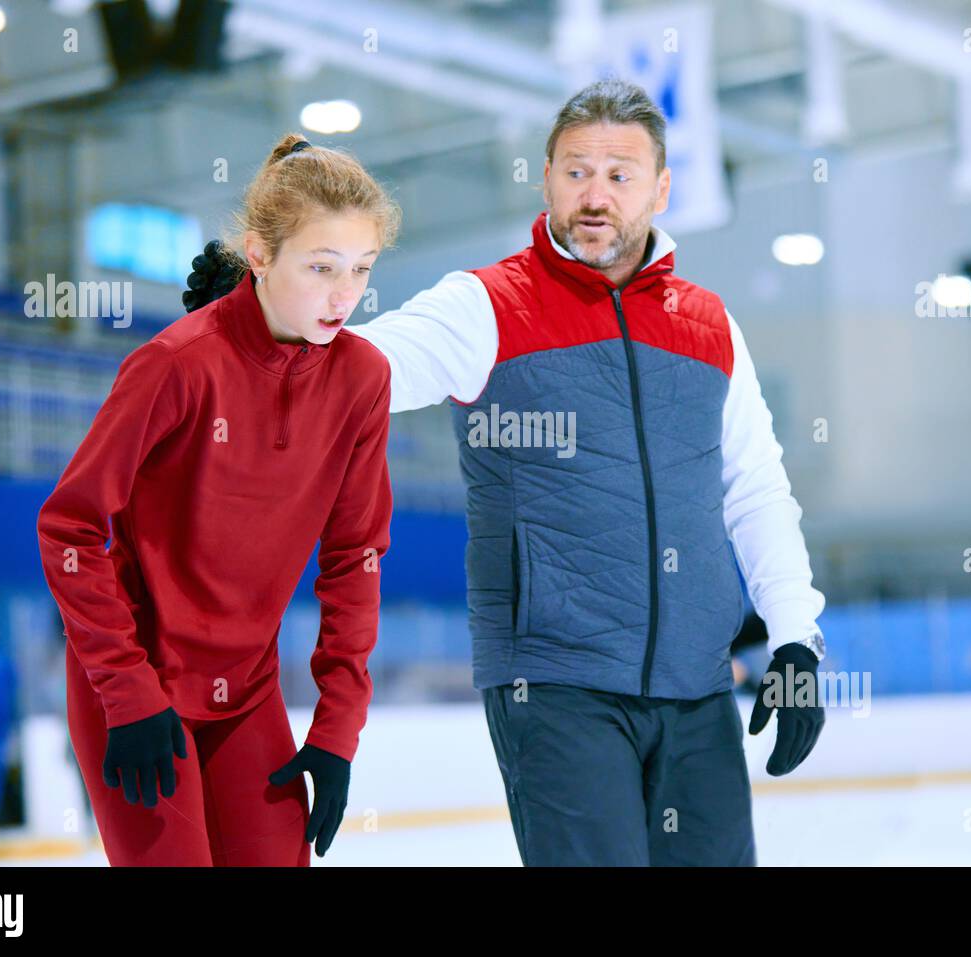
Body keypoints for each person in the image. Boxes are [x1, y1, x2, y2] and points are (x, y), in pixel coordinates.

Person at [186, 77, 828, 866]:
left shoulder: (710, 326)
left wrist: (796, 639)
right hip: (555, 688)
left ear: (662, 188)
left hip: (698, 688)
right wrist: (258, 320)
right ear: (546, 177)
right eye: (575, 171)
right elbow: (353, 370)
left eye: (620, 176)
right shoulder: (486, 306)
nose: (596, 196)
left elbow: (756, 488)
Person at [37, 134, 398, 866]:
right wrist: (127, 689)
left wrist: (335, 730)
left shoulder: (363, 379)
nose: (343, 295)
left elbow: (354, 557)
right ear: (259, 254)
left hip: (249, 691)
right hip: (135, 687)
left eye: (360, 270)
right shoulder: (174, 364)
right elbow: (69, 528)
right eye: (321, 267)